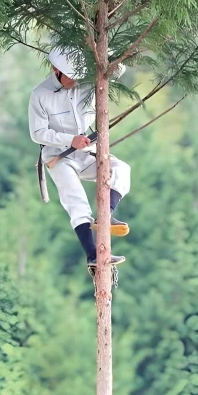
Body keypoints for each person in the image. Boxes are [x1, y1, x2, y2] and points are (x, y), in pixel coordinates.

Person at [29, 47, 130, 267]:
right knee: (75, 201)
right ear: (56, 70)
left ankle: (106, 216)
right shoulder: (40, 94)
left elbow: (118, 70)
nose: (75, 81)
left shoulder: (86, 81)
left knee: (121, 170)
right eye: (70, 77)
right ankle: (93, 255)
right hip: (58, 156)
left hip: (85, 152)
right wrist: (69, 139)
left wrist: (105, 50)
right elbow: (37, 133)